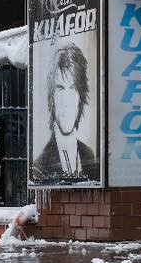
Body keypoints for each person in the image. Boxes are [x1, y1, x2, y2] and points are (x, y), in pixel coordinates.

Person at [33, 42, 98, 184]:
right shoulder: (41, 165)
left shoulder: (88, 155)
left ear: (81, 97)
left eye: (73, 88)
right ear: (51, 99)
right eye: (60, 89)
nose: (66, 101)